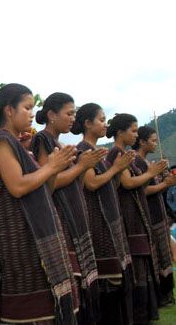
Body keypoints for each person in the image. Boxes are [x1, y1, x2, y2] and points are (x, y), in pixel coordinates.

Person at [0, 83, 78, 324]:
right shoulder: (1, 142)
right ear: (9, 110)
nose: (31, 113)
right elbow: (18, 186)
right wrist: (50, 166)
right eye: (27, 107)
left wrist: (52, 170)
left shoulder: (16, 144)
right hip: (16, 237)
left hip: (30, 235)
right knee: (29, 306)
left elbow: (43, 191)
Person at [31, 93, 102, 322]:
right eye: (69, 113)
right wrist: (80, 165)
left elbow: (75, 183)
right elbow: (48, 182)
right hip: (60, 218)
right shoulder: (42, 140)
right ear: (52, 115)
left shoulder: (63, 145)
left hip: (75, 216)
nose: (73, 118)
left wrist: (82, 167)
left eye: (74, 113)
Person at [71, 103, 135, 323]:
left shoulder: (98, 151)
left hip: (108, 220)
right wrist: (116, 168)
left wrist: (114, 169)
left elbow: (110, 185)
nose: (105, 124)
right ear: (88, 124)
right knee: (106, 287)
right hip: (97, 222)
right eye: (101, 120)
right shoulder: (83, 149)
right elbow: (91, 183)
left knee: (115, 286)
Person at [106, 113, 166, 323]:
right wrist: (152, 174)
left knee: (143, 271)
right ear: (120, 132)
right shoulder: (116, 152)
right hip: (129, 219)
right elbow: (128, 183)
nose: (135, 134)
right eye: (132, 130)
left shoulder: (125, 153)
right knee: (137, 273)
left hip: (137, 218)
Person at [133, 125, 176, 306]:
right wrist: (165, 184)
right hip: (148, 217)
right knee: (156, 259)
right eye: (152, 140)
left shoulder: (146, 163)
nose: (155, 144)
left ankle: (165, 296)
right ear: (142, 141)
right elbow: (141, 190)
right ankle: (158, 298)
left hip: (158, 216)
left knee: (164, 257)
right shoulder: (136, 162)